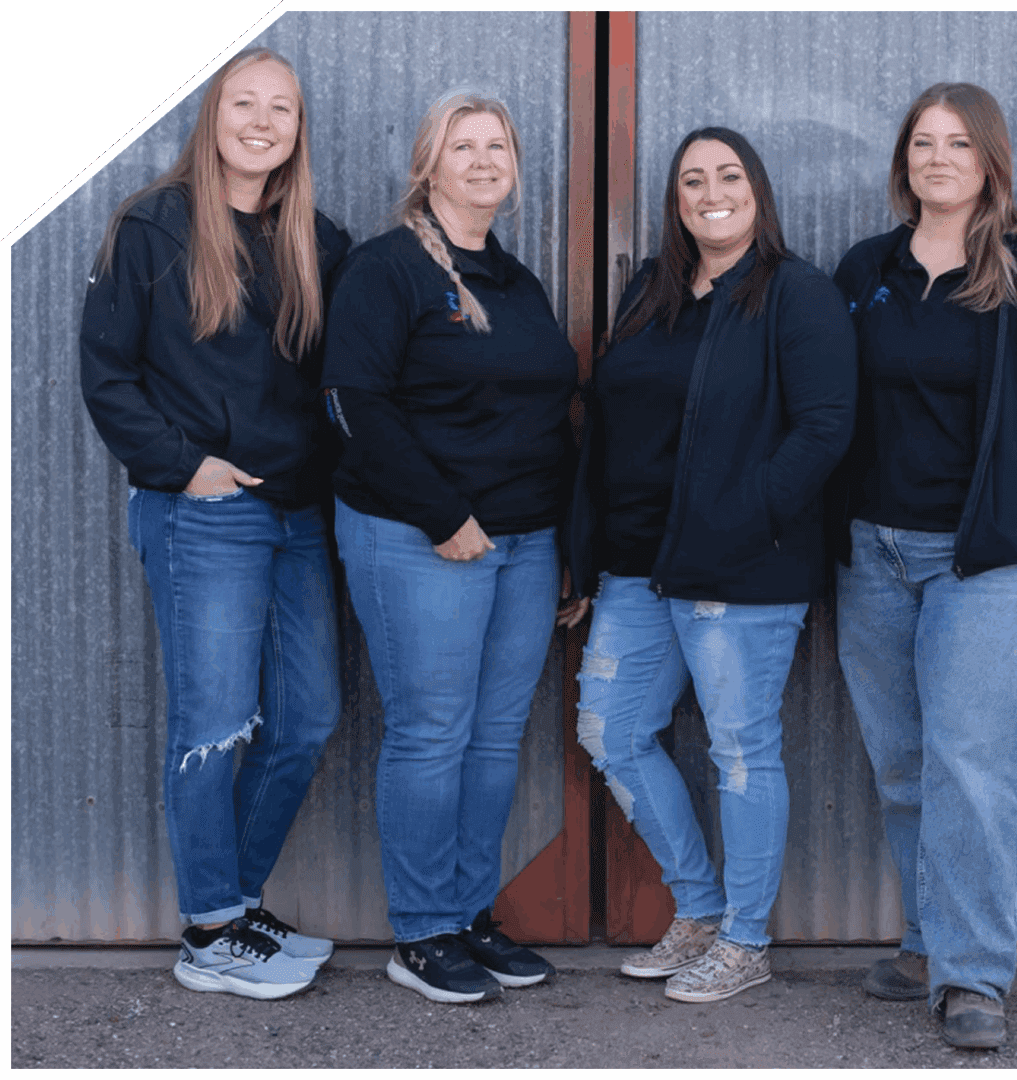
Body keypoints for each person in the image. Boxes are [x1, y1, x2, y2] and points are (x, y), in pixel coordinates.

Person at [831, 83, 1017, 1049]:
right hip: (875, 553)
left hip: (991, 560)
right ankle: (926, 938)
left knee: (970, 764)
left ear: (989, 159)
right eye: (922, 142)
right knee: (905, 762)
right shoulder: (865, 269)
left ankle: (971, 976)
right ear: (903, 160)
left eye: (957, 143)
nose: (937, 158)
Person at [80, 47, 351, 1000]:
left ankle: (233, 899)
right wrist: (185, 469)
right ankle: (209, 929)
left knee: (308, 716)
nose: (263, 121)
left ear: (297, 128)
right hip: (204, 511)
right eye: (245, 102)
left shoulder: (318, 239)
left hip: (297, 516)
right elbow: (106, 374)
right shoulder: (150, 227)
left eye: (282, 107)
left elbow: (341, 386)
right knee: (215, 723)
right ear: (212, 115)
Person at [567, 127, 856, 1004]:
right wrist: (584, 554)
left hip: (740, 571)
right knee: (610, 732)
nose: (710, 193)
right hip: (637, 569)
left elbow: (824, 427)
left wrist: (742, 519)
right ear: (675, 200)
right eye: (691, 180)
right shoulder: (649, 291)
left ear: (757, 190)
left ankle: (745, 938)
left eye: (728, 175)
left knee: (738, 750)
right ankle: (696, 907)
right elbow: (610, 430)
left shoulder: (795, 295)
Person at [321, 89, 581, 1005]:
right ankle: (421, 929)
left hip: (523, 543)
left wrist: (565, 546)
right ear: (427, 166)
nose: (481, 161)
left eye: (496, 146)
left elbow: (549, 416)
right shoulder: (386, 269)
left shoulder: (514, 279)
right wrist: (443, 516)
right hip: (417, 537)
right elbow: (355, 402)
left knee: (495, 737)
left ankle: (468, 914)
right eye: (461, 146)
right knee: (432, 732)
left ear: (514, 166)